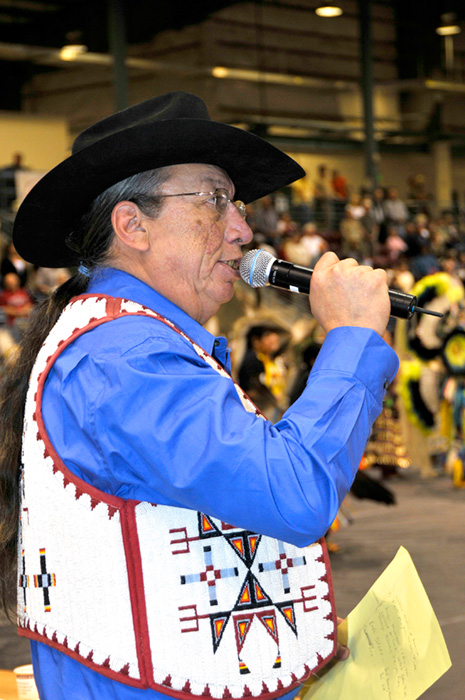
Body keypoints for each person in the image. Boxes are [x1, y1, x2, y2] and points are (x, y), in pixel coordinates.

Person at [0, 91, 397, 700]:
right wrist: (351, 340)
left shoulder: (127, 348)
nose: (243, 229)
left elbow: (176, 530)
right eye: (215, 201)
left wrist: (284, 638)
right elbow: (294, 493)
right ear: (131, 225)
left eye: (236, 203)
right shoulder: (126, 358)